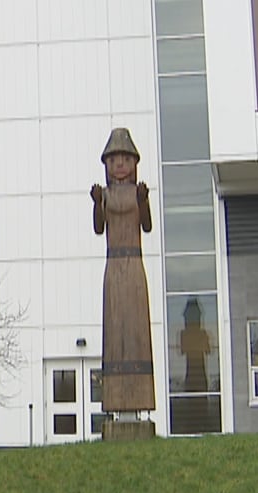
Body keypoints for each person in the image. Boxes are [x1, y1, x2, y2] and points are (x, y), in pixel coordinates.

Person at [90, 128, 155, 414]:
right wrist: (96, 204)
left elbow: (148, 225)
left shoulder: (138, 192)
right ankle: (116, 400)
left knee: (137, 331)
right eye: (113, 158)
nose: (119, 164)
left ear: (133, 162)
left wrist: (142, 201)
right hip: (114, 268)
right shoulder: (104, 195)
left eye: (125, 158)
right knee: (115, 332)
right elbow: (98, 227)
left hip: (134, 268)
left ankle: (140, 400)